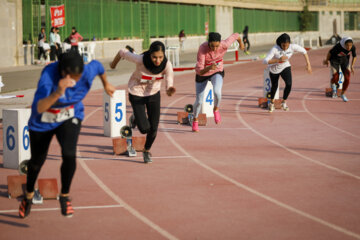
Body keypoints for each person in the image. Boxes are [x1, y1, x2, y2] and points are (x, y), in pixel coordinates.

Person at [18, 51, 115, 219]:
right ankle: (28, 196)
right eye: (74, 78)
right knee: (36, 163)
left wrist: (106, 84)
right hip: (43, 120)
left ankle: (64, 196)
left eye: (79, 77)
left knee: (69, 154)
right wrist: (58, 91)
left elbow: (99, 67)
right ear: (63, 73)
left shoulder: (87, 70)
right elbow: (39, 108)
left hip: (70, 115)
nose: (77, 81)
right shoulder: (48, 76)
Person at [110, 42, 176, 163]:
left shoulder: (166, 64)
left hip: (153, 94)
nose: (157, 60)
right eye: (154, 57)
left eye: (160, 57)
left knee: (154, 129)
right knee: (145, 128)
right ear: (150, 54)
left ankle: (146, 150)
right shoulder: (140, 59)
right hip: (136, 92)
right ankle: (135, 118)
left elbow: (169, 77)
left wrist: (169, 88)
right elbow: (122, 52)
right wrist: (113, 64)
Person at [192, 32, 244, 132]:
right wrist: (209, 68)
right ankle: (195, 120)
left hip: (217, 71)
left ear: (220, 43)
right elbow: (199, 71)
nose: (214, 49)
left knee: (217, 92)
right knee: (199, 101)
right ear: (208, 43)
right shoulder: (202, 49)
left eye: (216, 46)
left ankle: (216, 109)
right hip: (203, 74)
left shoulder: (224, 44)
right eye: (212, 46)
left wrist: (241, 44)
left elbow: (236, 35)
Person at [263, 33, 312, 112]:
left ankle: (284, 102)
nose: (285, 47)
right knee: (274, 87)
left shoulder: (292, 47)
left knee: (289, 84)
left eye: (287, 45)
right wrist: (278, 60)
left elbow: (304, 51)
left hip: (285, 66)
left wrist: (308, 64)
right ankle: (271, 103)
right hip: (274, 69)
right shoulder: (275, 49)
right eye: (283, 45)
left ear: (289, 44)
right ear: (280, 43)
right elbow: (265, 61)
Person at [323, 36, 357, 102]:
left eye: (350, 46)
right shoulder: (338, 46)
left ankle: (343, 93)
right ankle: (333, 85)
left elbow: (354, 56)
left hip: (345, 61)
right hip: (334, 60)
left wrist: (352, 65)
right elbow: (330, 53)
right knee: (336, 76)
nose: (349, 47)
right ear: (344, 44)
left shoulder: (352, 47)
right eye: (347, 45)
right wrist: (327, 60)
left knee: (347, 78)